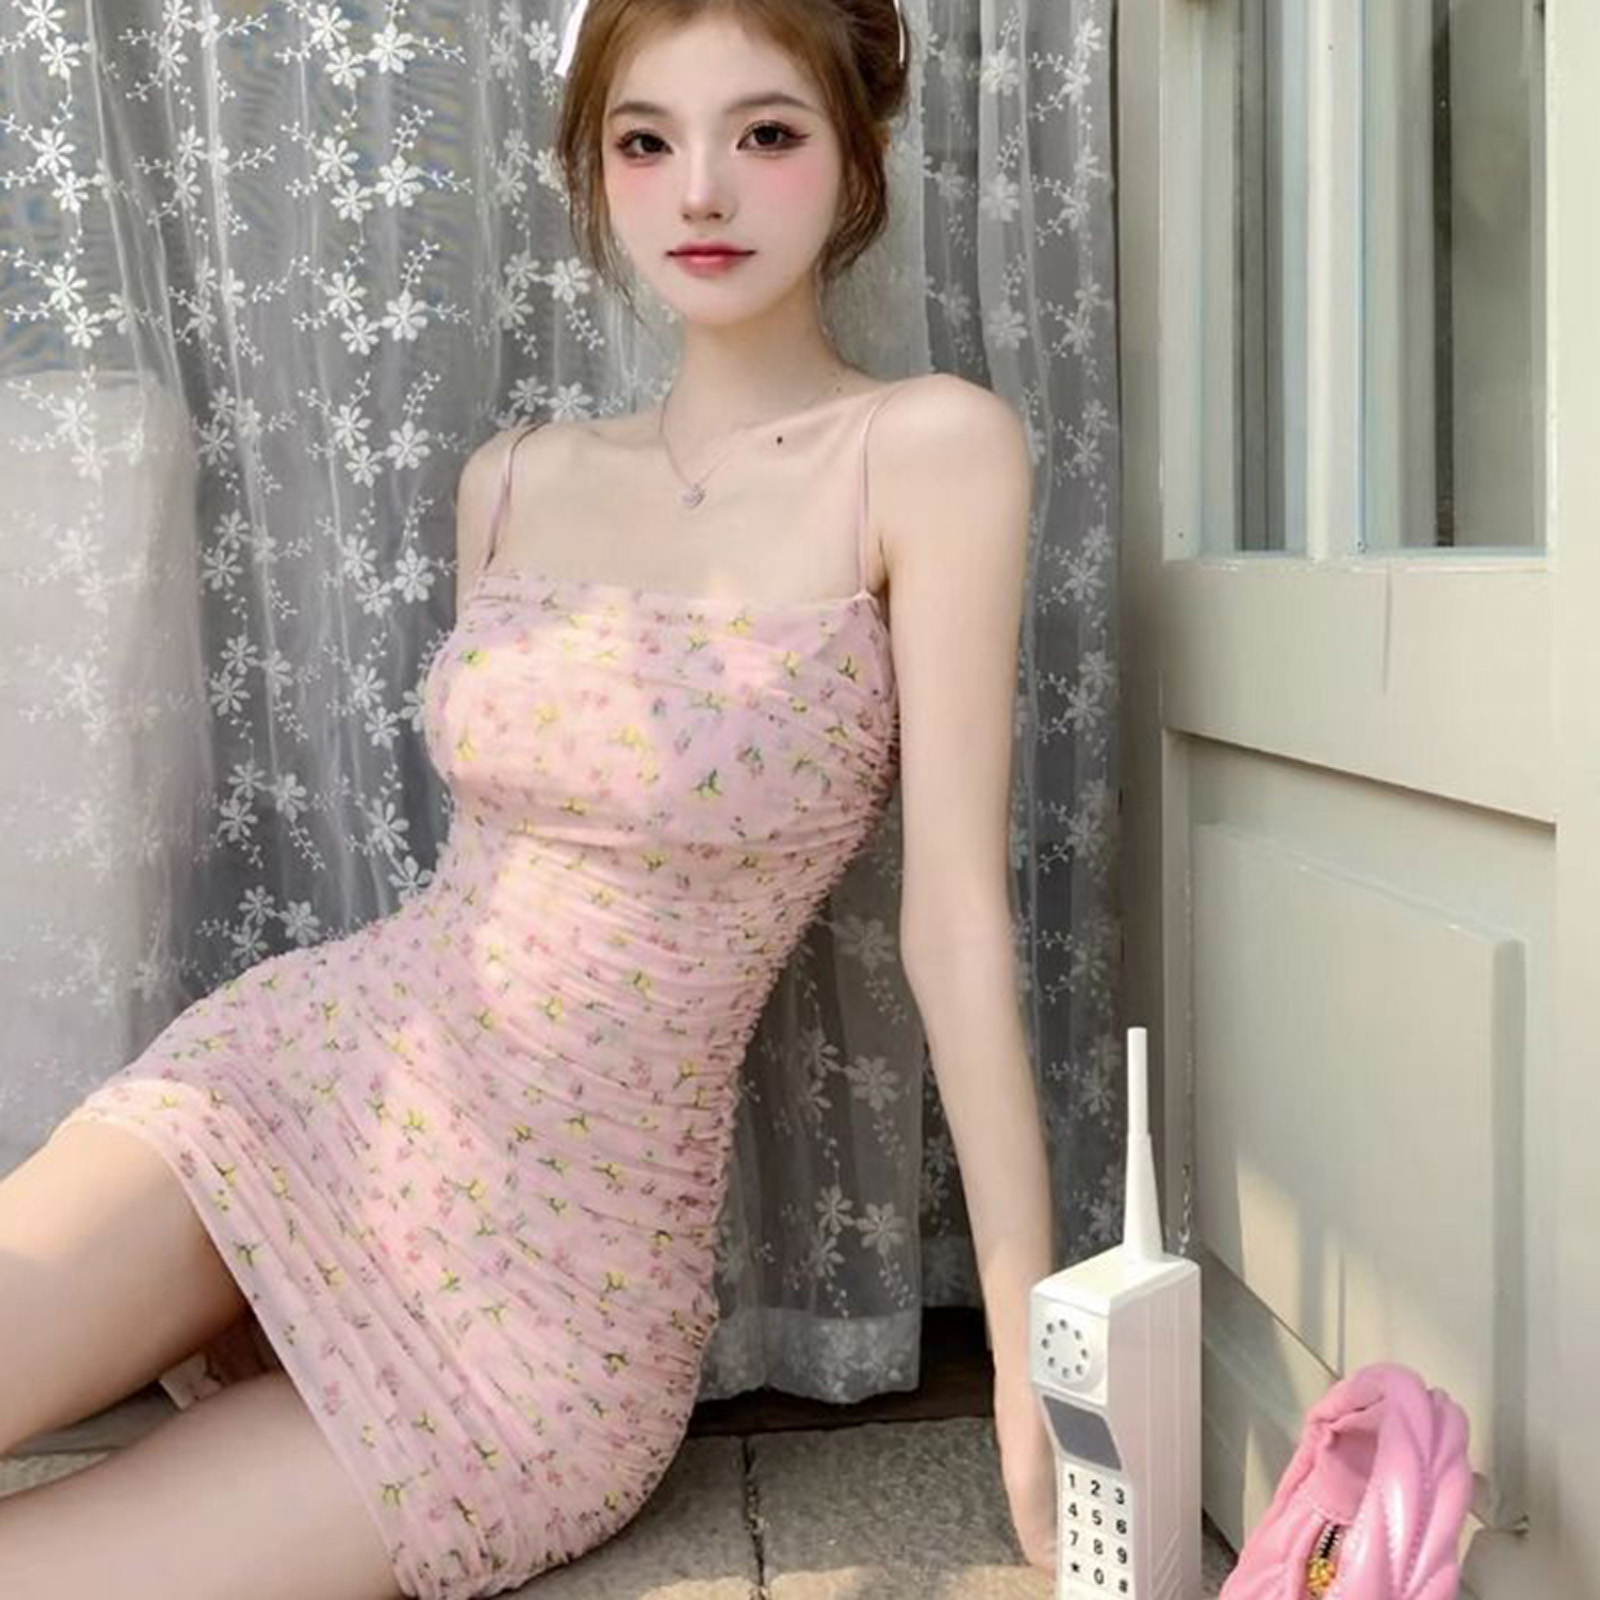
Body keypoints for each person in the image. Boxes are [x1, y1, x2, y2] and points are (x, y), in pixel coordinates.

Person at [0, 2, 1054, 1595]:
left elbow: (955, 926)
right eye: (646, 141)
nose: (701, 191)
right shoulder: (511, 478)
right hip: (303, 1093)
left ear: (857, 162)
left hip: (548, 1301)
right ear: (593, 172)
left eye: (765, 134)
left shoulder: (927, 452)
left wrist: (1037, 1367)